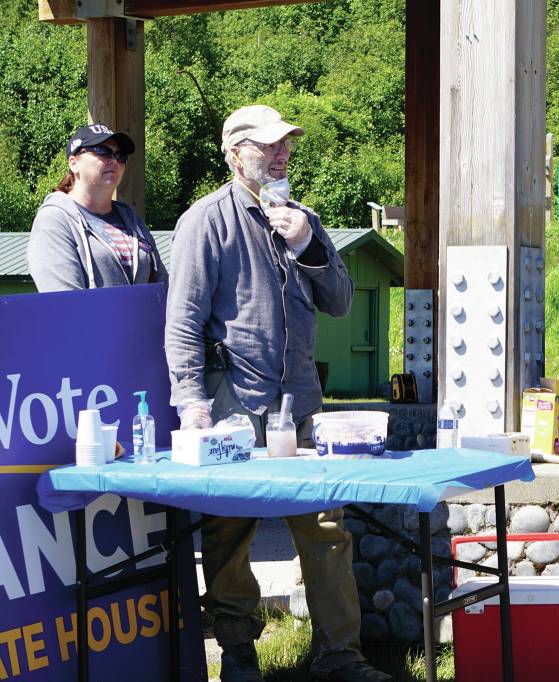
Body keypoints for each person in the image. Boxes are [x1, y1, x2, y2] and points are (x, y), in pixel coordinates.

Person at [165, 105, 391, 682]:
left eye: (286, 144)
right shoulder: (205, 221)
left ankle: (340, 656)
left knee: (324, 529)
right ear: (234, 154)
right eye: (268, 146)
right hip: (233, 404)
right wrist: (191, 402)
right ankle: (239, 653)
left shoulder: (302, 216)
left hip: (300, 402)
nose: (281, 153)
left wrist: (312, 245)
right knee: (228, 531)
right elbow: (182, 319)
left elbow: (341, 301)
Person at [27, 123, 166, 291]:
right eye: (102, 151)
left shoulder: (132, 221)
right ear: (74, 163)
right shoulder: (54, 221)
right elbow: (63, 303)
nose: (114, 160)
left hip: (145, 318)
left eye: (120, 156)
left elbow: (164, 288)